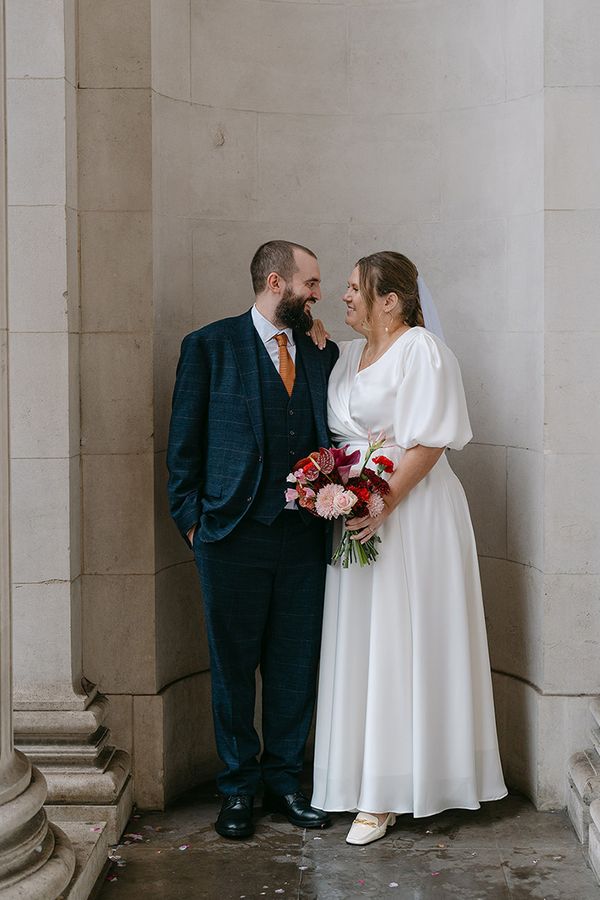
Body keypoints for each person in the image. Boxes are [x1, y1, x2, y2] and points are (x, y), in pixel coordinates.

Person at [311, 251, 507, 845]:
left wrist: (380, 502)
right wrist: (339, 495)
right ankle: (360, 777)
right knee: (365, 641)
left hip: (412, 513)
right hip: (358, 514)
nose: (343, 297)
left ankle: (394, 790)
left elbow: (428, 442)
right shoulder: (346, 355)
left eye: (353, 289)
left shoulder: (422, 350)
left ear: (389, 300)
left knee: (403, 639)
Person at [167, 241, 339, 839]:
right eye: (311, 283)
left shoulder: (321, 353)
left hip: (304, 538)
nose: (319, 294)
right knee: (233, 667)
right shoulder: (208, 347)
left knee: (296, 665)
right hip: (230, 537)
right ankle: (238, 789)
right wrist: (193, 522)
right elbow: (182, 448)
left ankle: (285, 782)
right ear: (276, 281)